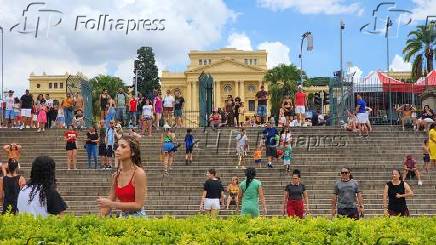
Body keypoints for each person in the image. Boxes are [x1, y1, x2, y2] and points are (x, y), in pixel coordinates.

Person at [98, 135, 147, 217]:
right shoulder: (116, 175)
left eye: (123, 147)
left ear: (133, 152)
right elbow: (111, 198)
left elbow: (139, 205)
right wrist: (98, 218)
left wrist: (112, 204)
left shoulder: (139, 173)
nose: (118, 149)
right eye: (117, 146)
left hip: (138, 219)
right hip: (123, 218)